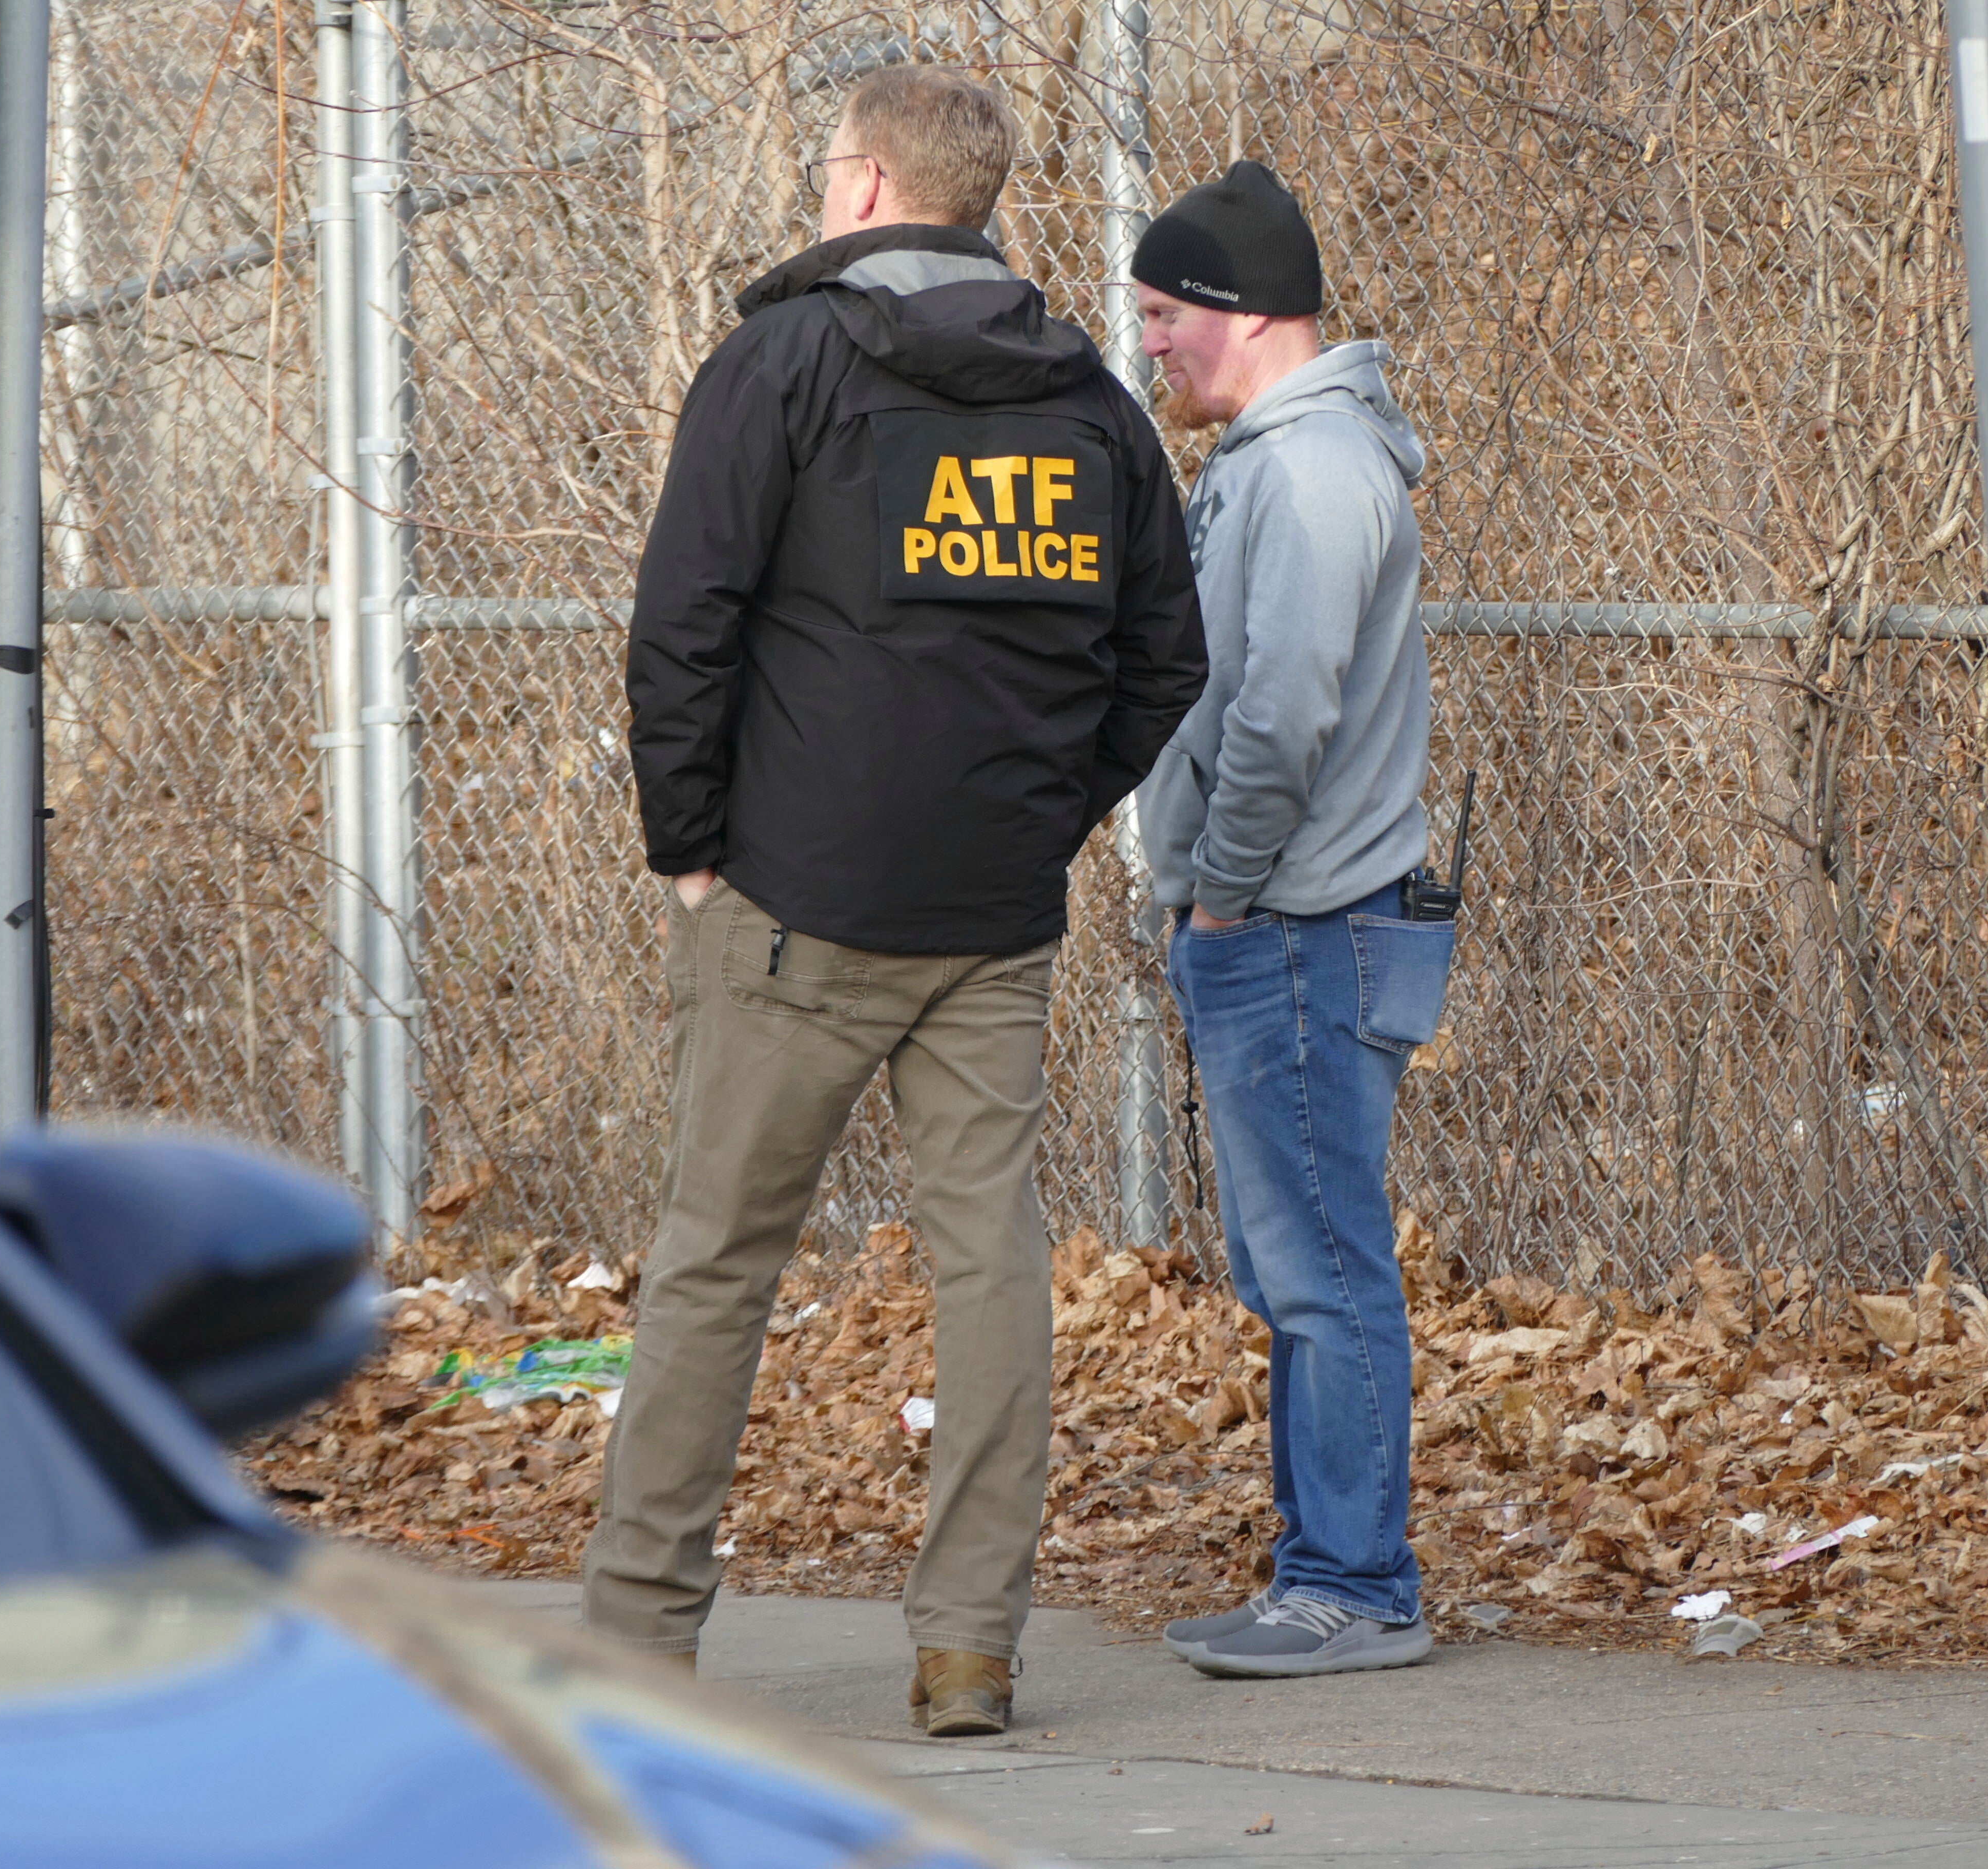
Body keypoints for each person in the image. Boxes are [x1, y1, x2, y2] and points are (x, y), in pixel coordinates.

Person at [590, 66, 1206, 1737]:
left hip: (792, 900)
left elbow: (683, 623)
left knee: (716, 1262)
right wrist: (1044, 812)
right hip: (992, 917)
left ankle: (641, 1646)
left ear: (864, 188)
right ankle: (966, 1653)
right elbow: (1167, 658)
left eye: (822, 166)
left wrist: (691, 844)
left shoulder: (781, 360)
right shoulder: (1090, 399)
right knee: (988, 1267)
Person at [1127, 162, 1453, 1679]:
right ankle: (1322, 1570)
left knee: (1323, 1272)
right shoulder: (1283, 457)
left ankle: (1354, 1588)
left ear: (1241, 314)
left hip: (1305, 928)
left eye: (1162, 315)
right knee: (1301, 1267)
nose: (1150, 346)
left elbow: (1282, 711)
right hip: (1293, 923)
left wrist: (1221, 890)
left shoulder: (1314, 475)